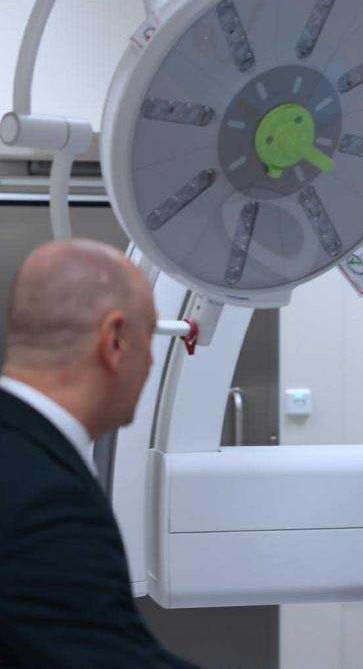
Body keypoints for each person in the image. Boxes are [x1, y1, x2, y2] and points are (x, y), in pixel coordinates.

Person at [0, 239, 196, 668]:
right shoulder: (45, 500)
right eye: (149, 336)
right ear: (115, 341)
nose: (150, 362)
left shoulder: (21, 449)